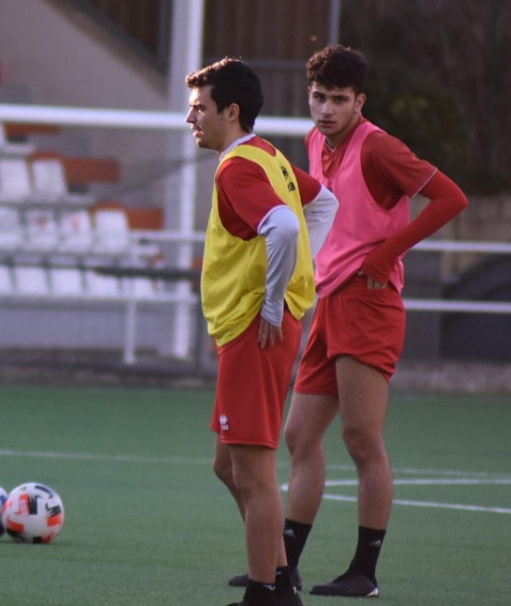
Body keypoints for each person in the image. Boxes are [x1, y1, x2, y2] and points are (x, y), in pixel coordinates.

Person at [281, 45, 468, 598]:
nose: (326, 109)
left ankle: (364, 572)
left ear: (360, 101)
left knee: (361, 439)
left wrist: (388, 254)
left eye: (339, 100)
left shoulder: (379, 146)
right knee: (298, 436)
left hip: (369, 302)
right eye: (319, 97)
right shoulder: (316, 141)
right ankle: (281, 566)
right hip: (330, 299)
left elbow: (450, 197)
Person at [186, 58, 337, 606]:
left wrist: (274, 302)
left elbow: (282, 225)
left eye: (200, 107)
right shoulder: (266, 155)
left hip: (257, 331)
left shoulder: (238, 168)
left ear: (231, 111)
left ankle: (265, 592)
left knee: (252, 471)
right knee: (227, 464)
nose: (190, 118)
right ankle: (279, 583)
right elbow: (324, 203)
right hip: (252, 328)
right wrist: (303, 273)